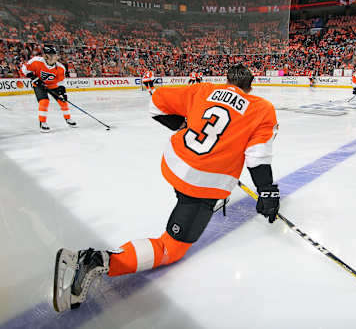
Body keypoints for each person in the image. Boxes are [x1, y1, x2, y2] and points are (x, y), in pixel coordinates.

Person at [52, 64, 280, 312]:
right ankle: (96, 260)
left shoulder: (203, 89)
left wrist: (184, 127)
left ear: (226, 80)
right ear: (251, 85)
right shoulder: (262, 108)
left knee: (185, 195)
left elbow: (157, 103)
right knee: (171, 248)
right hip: (202, 185)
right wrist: (267, 191)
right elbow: (257, 157)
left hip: (174, 163)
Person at [21, 45, 76, 132]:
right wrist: (34, 78)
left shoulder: (60, 67)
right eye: (51, 54)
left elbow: (61, 82)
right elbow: (24, 69)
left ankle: (68, 119)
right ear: (46, 56)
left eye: (54, 54)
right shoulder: (36, 61)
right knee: (44, 101)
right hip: (39, 85)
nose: (54, 57)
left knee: (63, 102)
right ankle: (42, 122)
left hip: (53, 85)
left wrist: (63, 92)